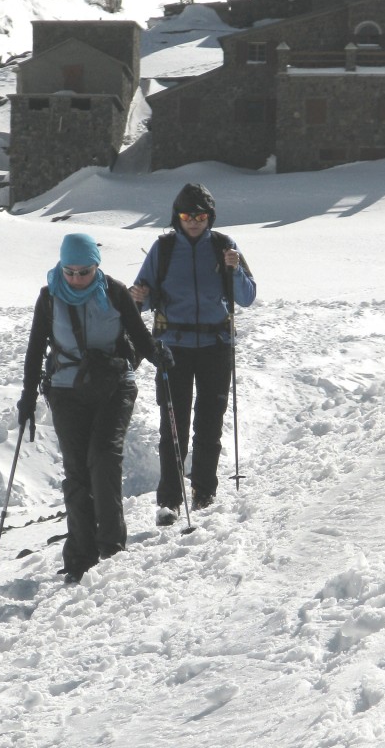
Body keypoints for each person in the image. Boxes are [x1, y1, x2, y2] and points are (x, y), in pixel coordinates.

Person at [17, 232, 170, 584]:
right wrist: (27, 397)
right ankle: (80, 557)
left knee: (103, 457)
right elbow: (35, 347)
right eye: (69, 271)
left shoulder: (115, 292)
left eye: (83, 272)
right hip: (66, 389)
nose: (75, 278)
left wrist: (158, 355)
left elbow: (139, 335)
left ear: (95, 266)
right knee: (77, 472)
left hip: (114, 386)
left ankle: (112, 547)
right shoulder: (49, 297)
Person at [130, 183, 256, 526]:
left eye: (200, 215)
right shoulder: (164, 248)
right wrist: (138, 295)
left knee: (209, 423)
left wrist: (235, 269)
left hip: (215, 346)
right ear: (178, 217)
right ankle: (169, 500)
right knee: (173, 426)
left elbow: (246, 297)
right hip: (174, 350)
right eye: (188, 215)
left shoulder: (224, 247)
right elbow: (141, 296)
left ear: (209, 217)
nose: (194, 221)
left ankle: (204, 492)